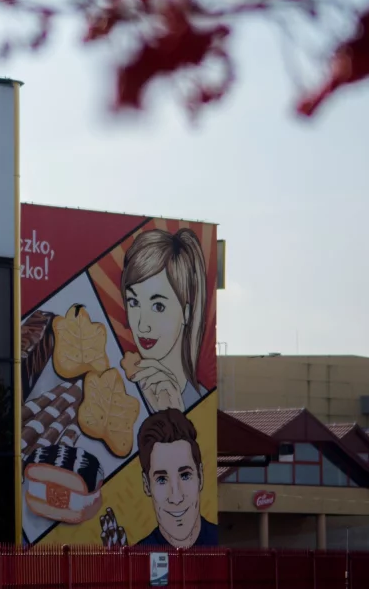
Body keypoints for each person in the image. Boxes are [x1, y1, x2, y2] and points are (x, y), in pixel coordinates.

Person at [120, 227, 208, 413]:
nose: (142, 326)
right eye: (134, 302)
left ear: (186, 313)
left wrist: (175, 416)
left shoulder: (201, 404)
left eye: (158, 306)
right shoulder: (121, 394)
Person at [134, 409, 217, 548]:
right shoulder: (138, 555)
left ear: (201, 477)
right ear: (146, 485)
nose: (176, 498)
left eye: (185, 476)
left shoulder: (221, 545)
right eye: (161, 480)